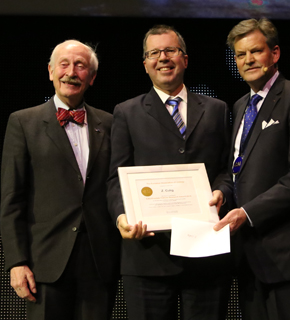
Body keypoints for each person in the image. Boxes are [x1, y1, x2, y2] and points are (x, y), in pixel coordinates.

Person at [106, 25, 231, 320]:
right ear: (146, 64)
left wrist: (222, 191)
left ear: (185, 59)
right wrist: (122, 216)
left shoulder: (217, 109)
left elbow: (228, 170)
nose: (163, 58)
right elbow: (115, 178)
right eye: (154, 53)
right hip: (148, 256)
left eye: (170, 50)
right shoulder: (126, 112)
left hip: (206, 253)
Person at [210, 18, 290, 320]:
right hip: (249, 257)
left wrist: (247, 213)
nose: (248, 60)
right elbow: (235, 169)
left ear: (274, 54)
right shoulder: (239, 106)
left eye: (256, 51)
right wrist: (222, 192)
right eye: (240, 54)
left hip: (289, 256)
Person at [0, 39, 121, 320]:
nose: (71, 72)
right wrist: (16, 262)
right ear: (50, 71)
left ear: (92, 77)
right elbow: (12, 200)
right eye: (64, 64)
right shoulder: (23, 122)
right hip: (45, 263)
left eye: (81, 66)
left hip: (99, 262)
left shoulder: (111, 123)